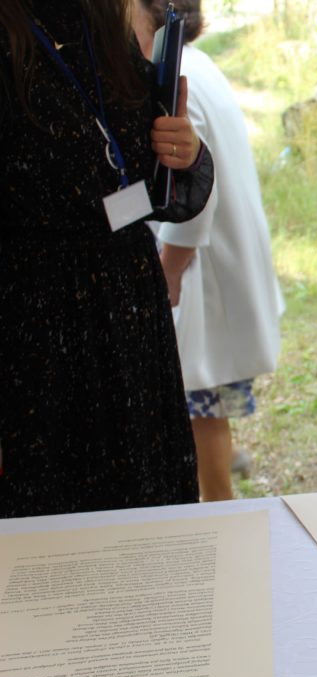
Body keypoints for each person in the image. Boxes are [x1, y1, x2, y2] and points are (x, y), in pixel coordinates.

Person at [0, 0, 214, 517]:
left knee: (140, 511)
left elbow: (153, 179)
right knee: (49, 523)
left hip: (128, 315)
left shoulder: (100, 24)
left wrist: (184, 152)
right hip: (32, 326)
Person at [132, 0, 284, 501]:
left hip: (204, 266)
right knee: (206, 397)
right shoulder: (200, 64)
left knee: (198, 401)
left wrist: (170, 271)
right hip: (225, 258)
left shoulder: (177, 80)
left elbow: (193, 193)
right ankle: (223, 475)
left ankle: (219, 503)